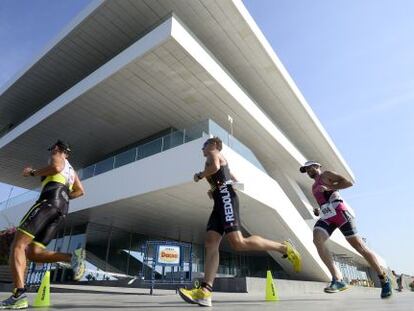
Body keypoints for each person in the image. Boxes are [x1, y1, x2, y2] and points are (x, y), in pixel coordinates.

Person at [179, 137, 301, 307]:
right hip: (220, 200)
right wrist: (214, 189)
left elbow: (214, 167)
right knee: (210, 242)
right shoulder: (218, 158)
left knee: (238, 243)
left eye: (204, 145)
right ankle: (205, 292)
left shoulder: (213, 153)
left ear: (214, 144)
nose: (202, 148)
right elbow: (232, 179)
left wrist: (200, 176)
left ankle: (284, 247)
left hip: (225, 199)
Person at [0, 140, 86, 309]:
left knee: (18, 246)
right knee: (33, 252)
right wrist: (64, 197)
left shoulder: (56, 156)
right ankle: (72, 258)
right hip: (61, 209)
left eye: (53, 149)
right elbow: (80, 191)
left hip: (47, 202)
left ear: (57, 148)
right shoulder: (71, 170)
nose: (52, 152)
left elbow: (55, 168)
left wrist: (32, 172)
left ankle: (19, 294)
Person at [300, 160, 392, 298]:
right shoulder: (313, 187)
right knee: (317, 238)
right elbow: (325, 201)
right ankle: (338, 279)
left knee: (360, 247)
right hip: (328, 217)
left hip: (341, 214)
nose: (309, 171)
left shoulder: (326, 175)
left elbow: (348, 183)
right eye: (306, 170)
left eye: (311, 167)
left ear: (318, 166)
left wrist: (329, 187)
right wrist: (319, 210)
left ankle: (383, 278)